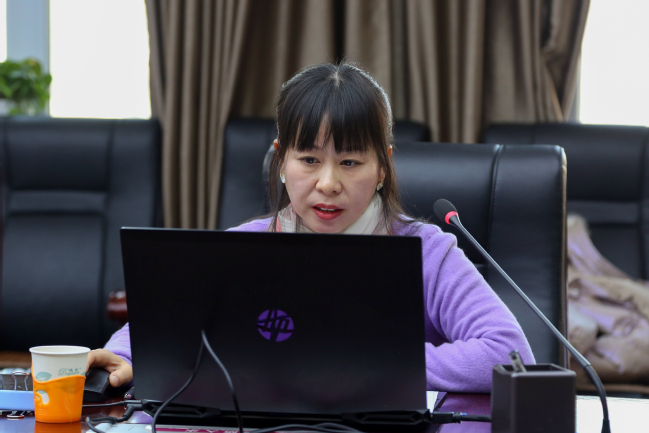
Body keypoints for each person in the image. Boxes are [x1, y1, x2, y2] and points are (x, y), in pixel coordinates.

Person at [89, 62, 535, 393]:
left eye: (350, 162)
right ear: (281, 160)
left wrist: (367, 362)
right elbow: (162, 326)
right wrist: (125, 355)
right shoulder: (243, 247)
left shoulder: (428, 252)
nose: (328, 183)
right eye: (308, 159)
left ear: (383, 166)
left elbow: (510, 353)